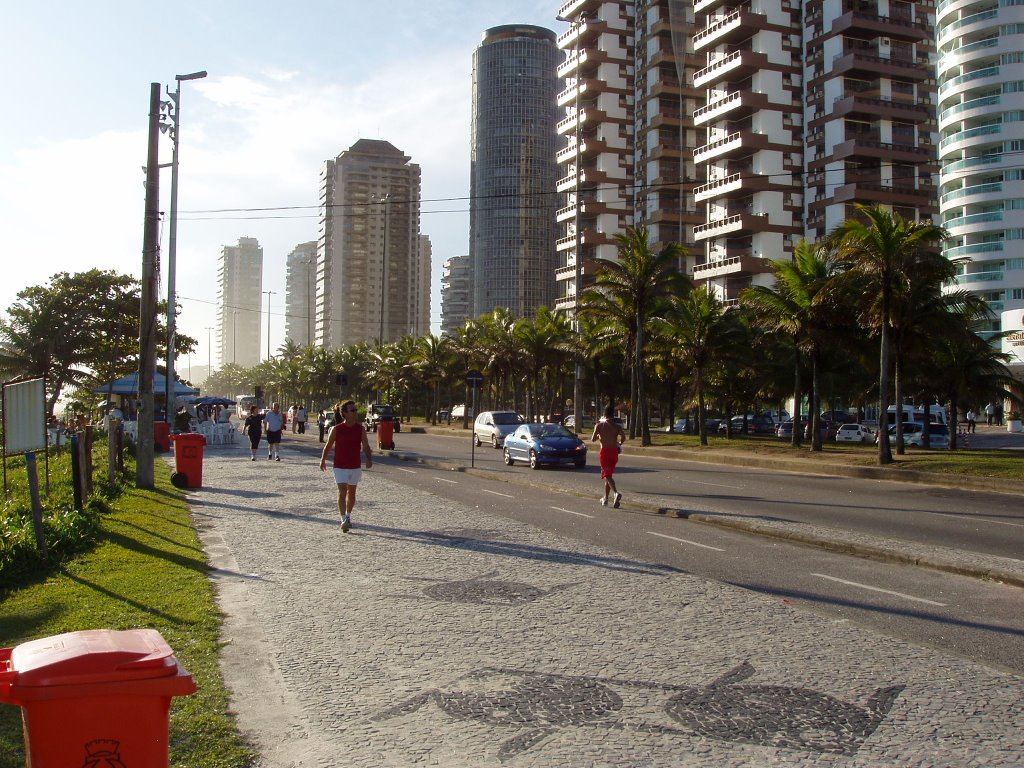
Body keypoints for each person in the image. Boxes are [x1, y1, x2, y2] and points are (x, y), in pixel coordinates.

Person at [320, 399, 372, 532]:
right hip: (340, 466)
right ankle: (343, 518)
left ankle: (348, 515)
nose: (355, 413)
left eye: (355, 410)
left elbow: (365, 445)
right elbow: (328, 446)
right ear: (344, 413)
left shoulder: (360, 429)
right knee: (342, 491)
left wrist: (369, 458)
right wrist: (323, 460)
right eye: (352, 410)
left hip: (355, 465)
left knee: (352, 493)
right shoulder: (336, 429)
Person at [591, 405, 626, 508]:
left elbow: (593, 439)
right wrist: (619, 443)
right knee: (609, 475)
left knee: (607, 475)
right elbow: (623, 437)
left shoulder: (599, 426)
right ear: (613, 414)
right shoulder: (617, 426)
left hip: (605, 452)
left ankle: (615, 493)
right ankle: (605, 498)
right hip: (614, 452)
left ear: (604, 414)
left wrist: (599, 436)